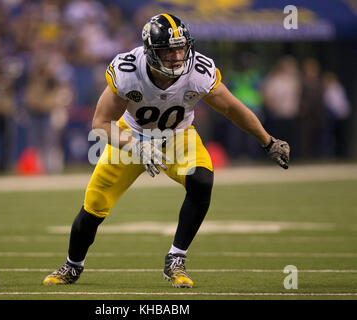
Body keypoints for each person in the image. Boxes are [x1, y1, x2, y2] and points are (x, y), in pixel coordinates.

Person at [43, 13, 290, 288]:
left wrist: (268, 141)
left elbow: (231, 107)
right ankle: (72, 265)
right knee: (94, 205)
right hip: (131, 135)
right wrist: (136, 145)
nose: (176, 55)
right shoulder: (128, 71)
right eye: (168, 50)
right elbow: (100, 124)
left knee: (202, 179)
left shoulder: (197, 71)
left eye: (180, 47)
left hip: (177, 135)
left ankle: (176, 258)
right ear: (150, 52)